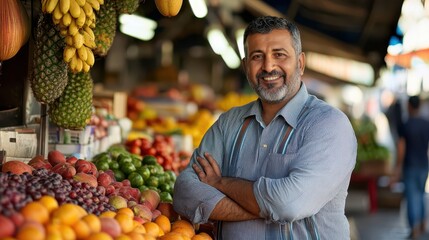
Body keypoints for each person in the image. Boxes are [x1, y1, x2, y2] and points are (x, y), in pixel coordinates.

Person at [173, 16, 357, 239]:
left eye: (279, 55)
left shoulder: (329, 125)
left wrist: (220, 183)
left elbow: (289, 204)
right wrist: (267, 209)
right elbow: (185, 192)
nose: (268, 66)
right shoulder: (229, 123)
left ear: (300, 63)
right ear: (245, 66)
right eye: (257, 57)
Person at [390, 95, 429, 239]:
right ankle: (423, 223)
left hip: (410, 165)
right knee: (421, 194)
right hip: (424, 165)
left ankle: (414, 228)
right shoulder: (426, 124)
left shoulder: (405, 125)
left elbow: (401, 148)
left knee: (412, 197)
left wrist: (397, 168)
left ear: (409, 106)